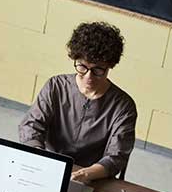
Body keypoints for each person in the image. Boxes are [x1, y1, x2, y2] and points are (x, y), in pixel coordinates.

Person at [19, 22, 136, 182]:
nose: (88, 77)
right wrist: (39, 156)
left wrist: (87, 174)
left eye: (97, 70)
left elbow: (117, 156)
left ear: (110, 66)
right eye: (82, 67)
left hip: (93, 175)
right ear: (75, 59)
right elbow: (31, 126)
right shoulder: (56, 86)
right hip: (48, 164)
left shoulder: (123, 106)